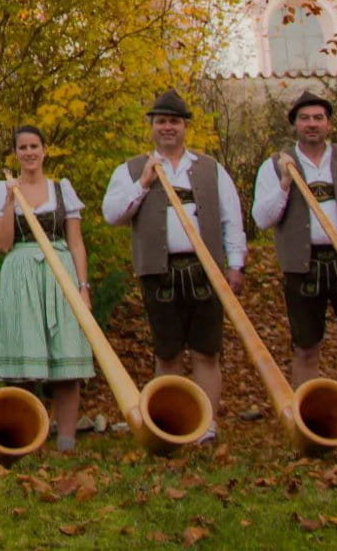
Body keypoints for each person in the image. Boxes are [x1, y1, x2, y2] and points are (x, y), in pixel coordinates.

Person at [101, 90, 246, 444]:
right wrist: (144, 183)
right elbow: (112, 215)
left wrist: (236, 263)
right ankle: (170, 424)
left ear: (185, 127)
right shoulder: (131, 169)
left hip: (205, 271)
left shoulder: (210, 169)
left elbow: (232, 219)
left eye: (175, 122)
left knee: (206, 351)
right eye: (162, 121)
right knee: (167, 352)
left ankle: (207, 426)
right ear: (152, 126)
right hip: (157, 271)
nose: (168, 128)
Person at [251, 91, 337, 437]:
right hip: (302, 264)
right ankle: (306, 417)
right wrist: (285, 184)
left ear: (328, 124)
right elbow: (261, 218)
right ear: (295, 125)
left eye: (317, 118)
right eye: (304, 118)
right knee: (305, 346)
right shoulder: (274, 165)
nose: (311, 124)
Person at [0, 125, 94, 452]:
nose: (29, 152)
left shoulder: (62, 190)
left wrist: (83, 287)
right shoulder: (3, 190)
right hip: (20, 274)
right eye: (23, 147)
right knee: (24, 364)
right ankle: (27, 438)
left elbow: (76, 243)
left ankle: (66, 442)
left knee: (66, 359)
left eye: (35, 146)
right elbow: (1, 243)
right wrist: (7, 201)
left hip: (61, 273)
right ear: (15, 153)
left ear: (45, 151)